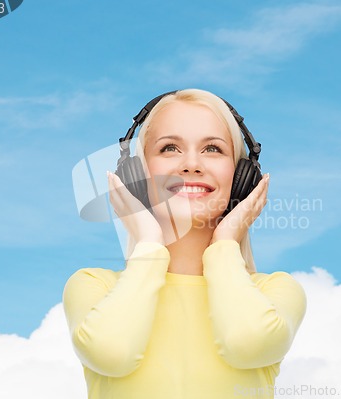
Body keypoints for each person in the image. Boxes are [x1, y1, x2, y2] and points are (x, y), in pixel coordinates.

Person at [63, 89, 306, 399]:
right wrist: (149, 244)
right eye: (170, 148)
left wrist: (225, 242)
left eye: (213, 149)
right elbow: (113, 352)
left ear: (243, 177)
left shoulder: (274, 292)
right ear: (137, 175)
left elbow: (247, 342)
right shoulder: (93, 286)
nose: (191, 164)